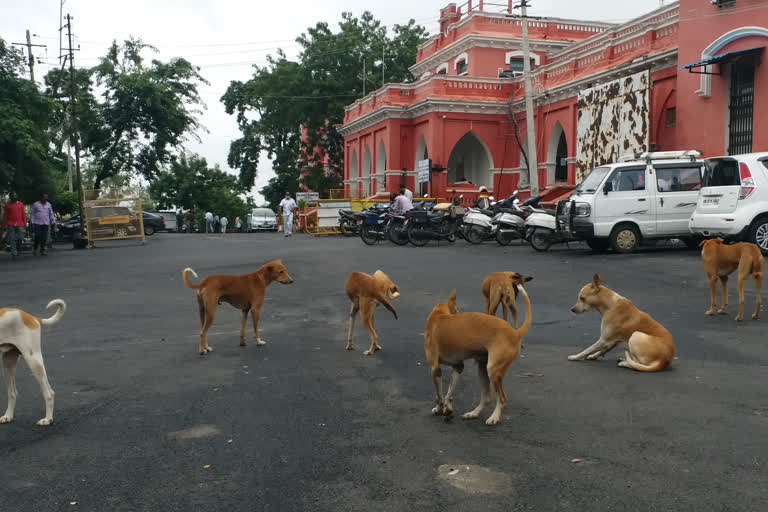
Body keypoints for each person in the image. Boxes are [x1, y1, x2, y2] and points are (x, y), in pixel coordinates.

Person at [2, 192, 26, 259]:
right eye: (13, 196)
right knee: (12, 239)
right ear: (11, 197)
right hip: (10, 224)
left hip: (20, 223)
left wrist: (25, 223)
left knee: (20, 238)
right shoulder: (7, 206)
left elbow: (23, 214)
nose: (14, 197)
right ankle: (14, 253)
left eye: (15, 195)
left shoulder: (21, 204)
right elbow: (5, 216)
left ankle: (18, 249)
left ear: (17, 196)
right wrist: (4, 226)